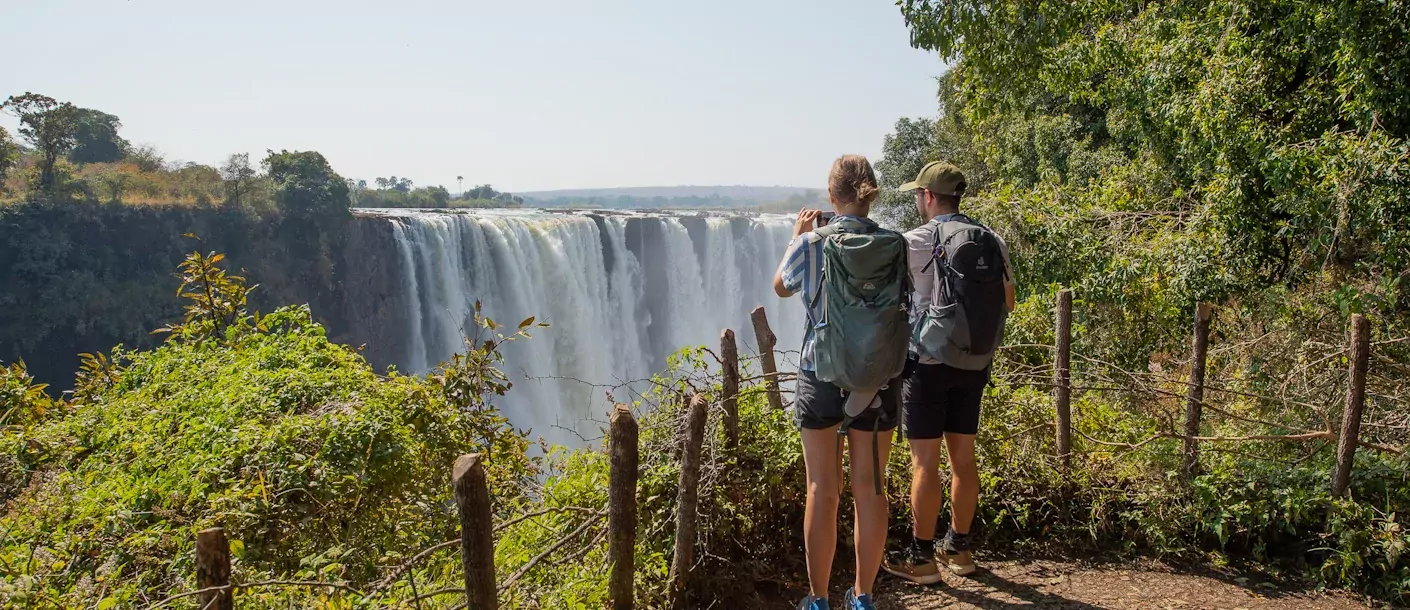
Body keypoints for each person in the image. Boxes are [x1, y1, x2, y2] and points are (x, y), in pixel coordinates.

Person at [773, 154, 910, 610]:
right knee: (871, 488)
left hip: (821, 373)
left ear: (833, 196)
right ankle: (863, 596)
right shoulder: (895, 243)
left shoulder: (811, 243)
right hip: (877, 377)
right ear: (869, 194)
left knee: (822, 489)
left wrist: (797, 237)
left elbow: (780, 286)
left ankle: (817, 599)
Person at [883, 161, 1016, 584]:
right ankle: (959, 549)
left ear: (927, 197)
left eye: (918, 195)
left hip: (927, 364)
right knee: (963, 457)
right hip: (974, 363)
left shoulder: (914, 240)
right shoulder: (990, 238)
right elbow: (1008, 302)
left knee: (924, 463)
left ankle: (921, 559)